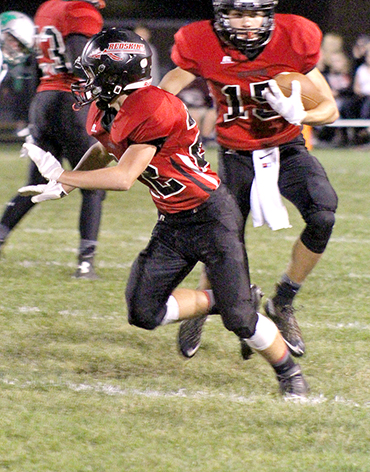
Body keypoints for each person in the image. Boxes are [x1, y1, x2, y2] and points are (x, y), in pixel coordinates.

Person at [20, 27, 308, 397]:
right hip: (173, 220)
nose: (86, 79)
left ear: (118, 74)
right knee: (142, 312)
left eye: (94, 71)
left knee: (241, 321)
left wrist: (63, 173)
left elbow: (124, 177)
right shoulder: (108, 108)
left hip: (212, 217)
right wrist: (67, 183)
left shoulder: (154, 107)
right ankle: (221, 299)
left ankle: (289, 373)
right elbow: (106, 149)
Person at [159, 0, 339, 359]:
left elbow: (329, 109)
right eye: (238, 14)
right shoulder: (200, 41)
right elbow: (169, 87)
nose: (247, 23)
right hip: (236, 152)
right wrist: (148, 116)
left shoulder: (296, 37)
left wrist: (299, 113)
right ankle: (208, 302)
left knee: (324, 213)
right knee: (224, 240)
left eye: (255, 13)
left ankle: (283, 301)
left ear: (269, 12)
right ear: (220, 14)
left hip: (286, 146)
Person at [0, 0, 111, 279]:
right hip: (70, 103)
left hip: (44, 100)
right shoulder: (82, 12)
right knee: (94, 186)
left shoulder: (47, 8)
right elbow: (81, 63)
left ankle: (1, 233)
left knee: (36, 184)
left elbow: (42, 61)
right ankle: (85, 263)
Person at [177, 77, 217, 144]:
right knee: (194, 115)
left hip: (202, 108)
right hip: (185, 109)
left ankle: (205, 139)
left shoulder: (200, 86)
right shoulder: (178, 89)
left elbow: (209, 99)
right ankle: (195, 139)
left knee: (211, 114)